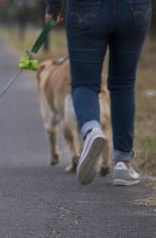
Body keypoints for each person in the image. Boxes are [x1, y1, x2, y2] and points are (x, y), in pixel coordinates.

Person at [45, 0, 151, 186]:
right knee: (123, 84)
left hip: (86, 9)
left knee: (83, 83)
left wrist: (53, 7)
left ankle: (92, 130)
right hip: (135, 9)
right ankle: (122, 164)